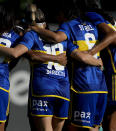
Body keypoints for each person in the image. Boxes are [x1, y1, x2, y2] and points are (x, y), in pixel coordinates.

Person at [0, 4, 105, 131]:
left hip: (43, 88)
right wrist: (97, 62)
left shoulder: (31, 35)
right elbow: (80, 56)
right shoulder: (62, 38)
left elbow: (24, 54)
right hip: (63, 91)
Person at [28, 1, 110, 130]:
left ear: (63, 14)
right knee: (95, 127)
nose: (56, 19)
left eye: (58, 15)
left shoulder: (68, 26)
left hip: (83, 84)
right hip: (101, 85)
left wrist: (34, 28)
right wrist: (97, 60)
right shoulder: (91, 25)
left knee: (76, 127)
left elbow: (56, 38)